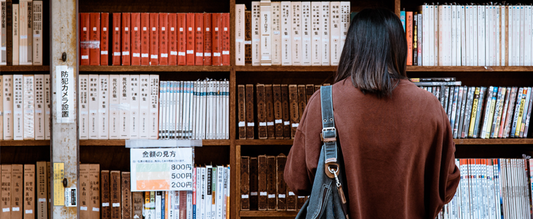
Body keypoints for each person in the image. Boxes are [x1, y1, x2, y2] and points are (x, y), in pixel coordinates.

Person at [284, 8, 460, 218]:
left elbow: (297, 181)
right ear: (399, 49)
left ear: (352, 47)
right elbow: (447, 186)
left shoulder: (325, 102)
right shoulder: (430, 107)